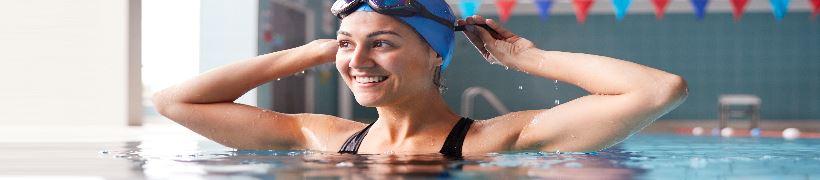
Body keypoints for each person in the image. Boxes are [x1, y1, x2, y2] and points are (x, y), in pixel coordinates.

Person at [152, 0, 687, 157]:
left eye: (382, 43)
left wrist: (527, 58)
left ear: (436, 55)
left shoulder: (494, 141)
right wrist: (315, 51)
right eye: (346, 44)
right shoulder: (325, 137)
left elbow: (660, 90)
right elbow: (175, 102)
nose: (357, 60)